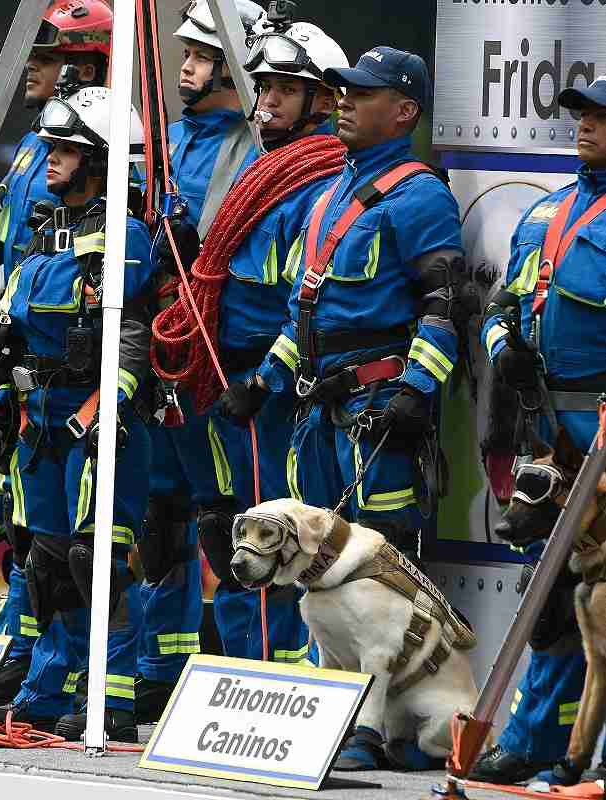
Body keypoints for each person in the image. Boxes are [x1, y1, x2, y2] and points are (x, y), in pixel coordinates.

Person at [252, 46, 465, 770]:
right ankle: (321, 714)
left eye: (362, 93)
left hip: (376, 412)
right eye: (341, 91)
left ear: (403, 111)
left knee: (378, 573)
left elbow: (444, 306)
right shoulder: (328, 192)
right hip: (317, 411)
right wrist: (263, 378)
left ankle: (371, 732)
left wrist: (416, 390)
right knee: (309, 572)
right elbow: (303, 311)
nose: (343, 100)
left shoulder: (418, 195)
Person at [0, 85, 154, 742]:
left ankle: (109, 696)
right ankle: (43, 685)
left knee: (98, 561)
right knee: (45, 561)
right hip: (38, 418)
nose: (48, 158)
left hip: (93, 420)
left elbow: (131, 336)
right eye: (51, 146)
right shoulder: (43, 234)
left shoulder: (124, 235)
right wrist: (5, 397)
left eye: (65, 149)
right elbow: (20, 327)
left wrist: (103, 412)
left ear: (100, 161)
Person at [197, 20, 349, 666]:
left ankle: (271, 678)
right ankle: (240, 669)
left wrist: (263, 383)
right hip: (226, 379)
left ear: (322, 101)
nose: (268, 103)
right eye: (263, 89)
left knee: (271, 535)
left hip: (268, 390)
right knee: (227, 527)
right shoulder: (259, 169)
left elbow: (303, 303)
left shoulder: (315, 179)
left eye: (286, 90)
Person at [134, 0, 266, 726]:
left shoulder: (257, 151)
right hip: (162, 355)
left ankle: (249, 676)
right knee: (159, 519)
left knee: (228, 522)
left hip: (222, 363)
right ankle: (163, 669)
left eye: (200, 55)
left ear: (233, 64)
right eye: (182, 54)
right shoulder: (166, 141)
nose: (183, 68)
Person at [472, 78, 606, 786]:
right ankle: (531, 740)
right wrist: (506, 354)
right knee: (551, 593)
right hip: (549, 429)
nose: (583, 126)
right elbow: (501, 306)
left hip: (603, 426)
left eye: (599, 117)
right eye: (581, 114)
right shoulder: (546, 211)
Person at [0, 0, 113, 707]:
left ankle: (80, 683)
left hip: (79, 396)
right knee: (27, 535)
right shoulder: (38, 152)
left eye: (46, 55)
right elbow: (6, 246)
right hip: (23, 376)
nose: (31, 68)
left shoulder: (105, 152)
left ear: (90, 60)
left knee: (83, 548)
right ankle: (23, 656)